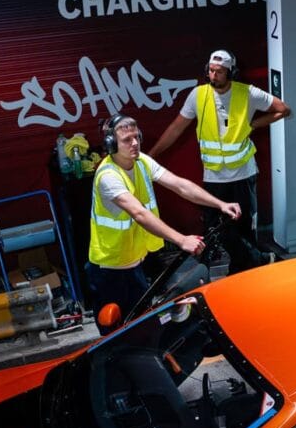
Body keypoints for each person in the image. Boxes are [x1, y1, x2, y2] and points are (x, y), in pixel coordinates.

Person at [148, 49, 291, 273]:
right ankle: (261, 261)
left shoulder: (248, 94)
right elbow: (177, 127)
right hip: (214, 177)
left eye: (220, 72)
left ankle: (243, 273)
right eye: (211, 71)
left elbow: (282, 109)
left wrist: (252, 125)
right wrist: (152, 155)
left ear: (231, 72)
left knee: (244, 229)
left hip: (243, 175)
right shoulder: (198, 95)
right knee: (217, 228)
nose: (213, 76)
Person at [89, 113, 242, 317]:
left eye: (137, 137)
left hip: (136, 259)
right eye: (127, 140)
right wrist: (181, 240)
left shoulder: (142, 161)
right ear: (111, 144)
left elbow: (180, 185)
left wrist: (220, 204)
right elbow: (139, 213)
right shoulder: (108, 176)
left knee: (140, 320)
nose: (135, 143)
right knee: (115, 331)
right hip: (111, 266)